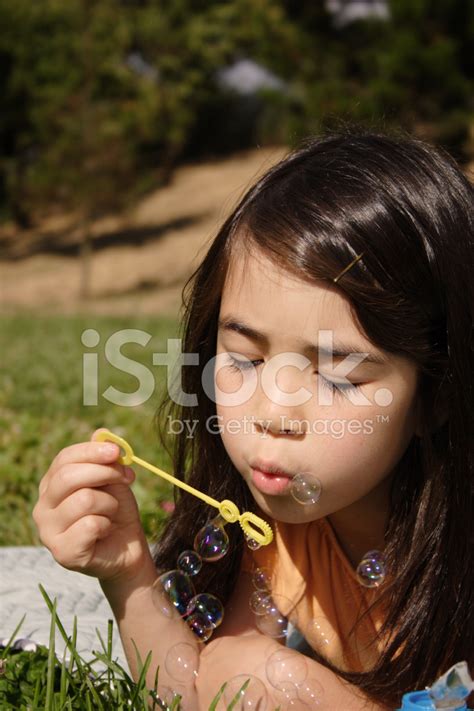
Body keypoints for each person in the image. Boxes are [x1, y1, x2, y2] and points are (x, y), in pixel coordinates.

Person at [33, 125, 474, 710]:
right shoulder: (283, 534)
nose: (272, 413)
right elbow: (201, 693)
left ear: (436, 394)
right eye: (244, 359)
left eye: (337, 375)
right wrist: (129, 574)